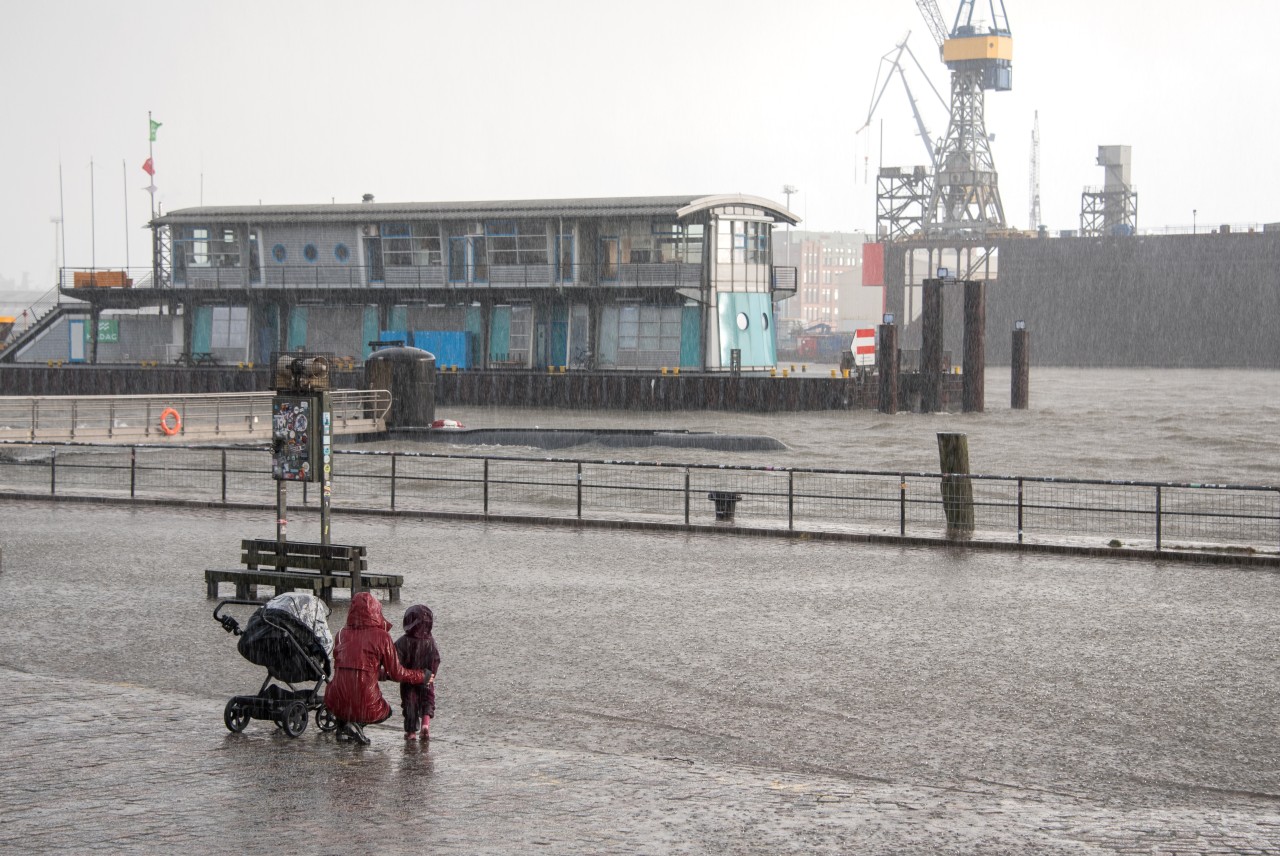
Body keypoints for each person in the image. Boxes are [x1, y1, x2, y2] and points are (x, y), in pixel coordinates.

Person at [323, 592, 424, 745]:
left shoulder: (341, 634)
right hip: (365, 703)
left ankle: (343, 724)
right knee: (385, 711)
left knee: (346, 689)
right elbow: (397, 673)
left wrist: (376, 672)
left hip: (335, 701)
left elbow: (347, 668)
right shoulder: (382, 637)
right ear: (375, 610)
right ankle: (356, 725)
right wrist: (421, 676)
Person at [395, 604, 441, 741]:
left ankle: (411, 732)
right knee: (427, 700)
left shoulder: (403, 642)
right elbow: (436, 659)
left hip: (408, 679)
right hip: (427, 677)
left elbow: (394, 659)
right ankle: (425, 725)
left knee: (410, 704)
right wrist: (431, 674)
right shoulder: (430, 642)